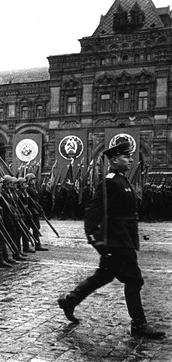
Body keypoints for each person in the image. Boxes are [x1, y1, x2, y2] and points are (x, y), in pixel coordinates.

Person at [57, 142, 165, 339]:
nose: (131, 159)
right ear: (115, 159)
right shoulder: (110, 182)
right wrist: (95, 240)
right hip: (116, 242)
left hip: (123, 239)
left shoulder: (121, 180)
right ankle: (139, 324)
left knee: (104, 275)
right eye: (126, 156)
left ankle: (70, 301)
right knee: (134, 279)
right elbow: (93, 212)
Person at [24, 173, 48, 251]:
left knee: (36, 228)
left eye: (34, 179)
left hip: (35, 210)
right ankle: (27, 245)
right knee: (30, 228)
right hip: (31, 210)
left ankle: (37, 244)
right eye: (32, 180)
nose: (34, 181)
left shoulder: (33, 189)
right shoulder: (28, 189)